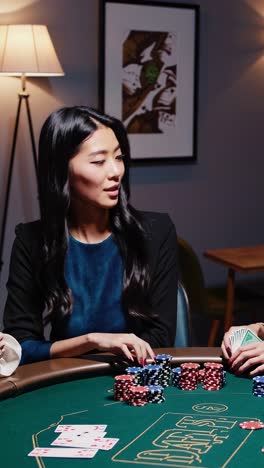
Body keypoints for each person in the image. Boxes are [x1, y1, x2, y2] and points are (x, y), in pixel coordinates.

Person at [3, 106, 178, 365]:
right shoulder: (31, 241)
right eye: (98, 161)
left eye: (119, 157)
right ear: (62, 170)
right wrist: (92, 340)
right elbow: (19, 347)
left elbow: (161, 336)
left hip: (134, 376)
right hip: (64, 379)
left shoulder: (156, 231)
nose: (116, 172)